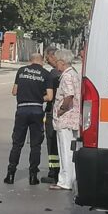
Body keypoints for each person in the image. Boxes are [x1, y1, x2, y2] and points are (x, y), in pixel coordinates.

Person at [4, 52, 52, 185]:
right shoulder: (46, 74)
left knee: (17, 144)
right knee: (36, 145)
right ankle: (33, 176)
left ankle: (10, 174)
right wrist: (38, 97)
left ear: (30, 61)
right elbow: (49, 96)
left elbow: (14, 91)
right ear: (41, 61)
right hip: (37, 110)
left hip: (22, 110)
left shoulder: (21, 71)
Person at [52, 48, 81, 191]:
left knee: (65, 151)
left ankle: (64, 181)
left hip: (66, 119)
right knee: (71, 151)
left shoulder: (66, 76)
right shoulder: (74, 73)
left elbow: (69, 95)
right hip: (74, 118)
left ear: (62, 62)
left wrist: (61, 109)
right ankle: (71, 179)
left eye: (57, 61)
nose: (56, 64)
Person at [42, 48, 62, 184]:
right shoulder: (64, 72)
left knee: (52, 142)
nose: (46, 61)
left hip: (52, 112)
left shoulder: (53, 74)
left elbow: (49, 95)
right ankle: (59, 171)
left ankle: (53, 172)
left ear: (53, 57)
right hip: (61, 112)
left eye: (47, 58)